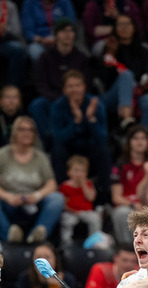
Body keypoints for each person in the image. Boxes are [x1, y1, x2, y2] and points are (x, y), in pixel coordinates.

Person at [0, 116, 66, 244]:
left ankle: (36, 234)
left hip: (33, 203)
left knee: (57, 198)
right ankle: (9, 235)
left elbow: (51, 184)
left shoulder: (41, 157)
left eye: (30, 130)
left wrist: (37, 195)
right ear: (14, 132)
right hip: (8, 202)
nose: (27, 133)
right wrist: (8, 197)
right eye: (22, 129)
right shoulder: (0, 155)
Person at [50, 70, 113, 206]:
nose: (75, 89)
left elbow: (103, 137)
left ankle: (103, 199)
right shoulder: (58, 107)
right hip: (69, 148)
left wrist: (91, 119)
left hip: (90, 147)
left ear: (84, 87)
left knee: (104, 151)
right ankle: (63, 195)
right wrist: (77, 121)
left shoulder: (95, 104)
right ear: (64, 90)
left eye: (78, 85)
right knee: (57, 151)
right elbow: (58, 138)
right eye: (70, 86)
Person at [29, 19, 91, 148]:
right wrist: (59, 99)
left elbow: (87, 84)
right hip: (52, 98)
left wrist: (74, 98)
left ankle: (84, 141)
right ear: (56, 35)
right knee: (37, 105)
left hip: (77, 98)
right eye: (64, 31)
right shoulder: (45, 57)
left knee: (95, 103)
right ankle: (49, 139)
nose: (68, 34)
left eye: (71, 31)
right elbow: (41, 85)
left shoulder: (81, 58)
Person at [97, 14, 148, 132]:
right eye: (121, 24)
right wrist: (111, 53)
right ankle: (126, 117)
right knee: (126, 75)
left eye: (128, 24)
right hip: (113, 97)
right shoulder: (110, 49)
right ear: (115, 28)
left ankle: (141, 141)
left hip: (137, 93)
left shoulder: (143, 51)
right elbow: (104, 79)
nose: (124, 27)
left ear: (133, 27)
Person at [110, 125, 148, 244]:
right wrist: (134, 204)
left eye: (143, 138)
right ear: (129, 142)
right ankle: (128, 248)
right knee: (121, 213)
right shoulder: (120, 165)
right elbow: (116, 197)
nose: (140, 141)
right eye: (135, 138)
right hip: (128, 206)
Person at [59, 155, 104, 245]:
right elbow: (62, 203)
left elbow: (91, 198)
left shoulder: (88, 184)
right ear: (69, 172)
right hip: (71, 212)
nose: (79, 174)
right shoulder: (65, 186)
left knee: (95, 218)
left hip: (86, 211)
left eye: (83, 171)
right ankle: (66, 242)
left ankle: (94, 241)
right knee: (67, 220)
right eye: (76, 170)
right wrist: (71, 210)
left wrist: (84, 185)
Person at [20, 0, 78, 64]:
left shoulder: (64, 2)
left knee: (68, 51)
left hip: (61, 39)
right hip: (39, 42)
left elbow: (71, 23)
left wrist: (59, 38)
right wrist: (42, 40)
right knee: (35, 52)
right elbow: (28, 30)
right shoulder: (29, 3)